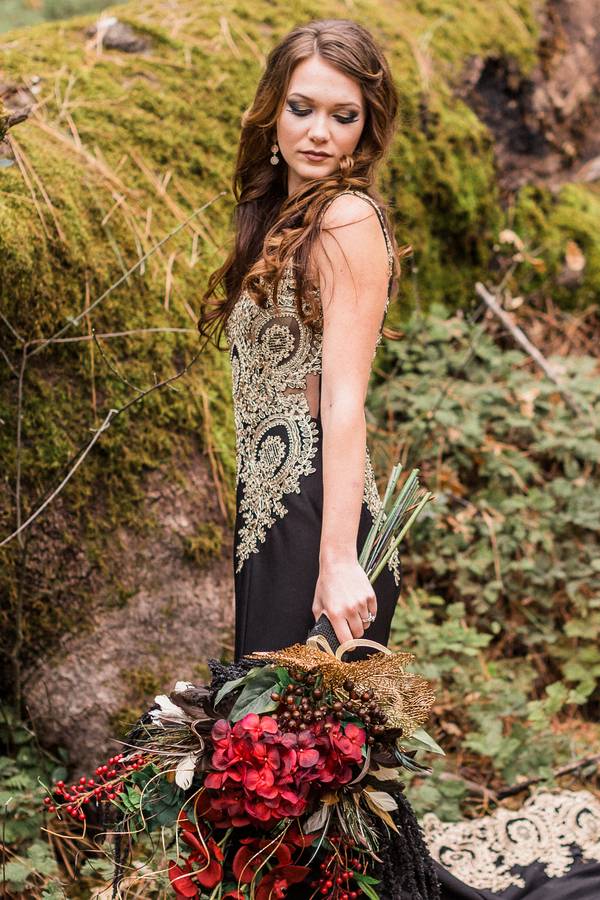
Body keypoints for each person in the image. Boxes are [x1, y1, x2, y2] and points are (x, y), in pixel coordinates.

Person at [198, 18, 600, 900]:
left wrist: (338, 559)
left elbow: (343, 401)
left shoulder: (348, 219)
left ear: (367, 127)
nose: (318, 132)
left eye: (343, 117)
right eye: (302, 108)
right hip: (272, 518)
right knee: (283, 782)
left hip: (320, 523)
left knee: (300, 785)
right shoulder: (278, 216)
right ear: (272, 111)